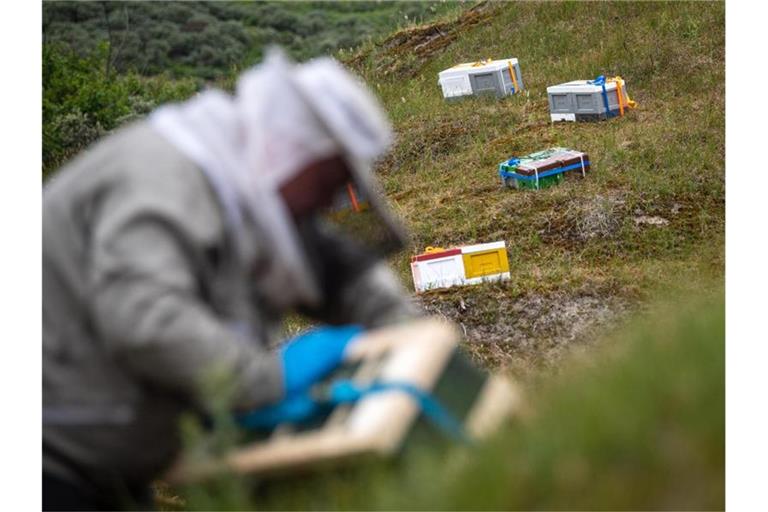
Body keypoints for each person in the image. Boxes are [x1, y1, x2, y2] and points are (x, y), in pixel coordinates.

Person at [43, 48, 418, 510]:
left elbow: (332, 267)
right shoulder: (163, 179)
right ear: (292, 152)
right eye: (326, 184)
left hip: (109, 469)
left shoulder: (242, 185)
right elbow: (146, 321)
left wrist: (412, 339)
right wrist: (268, 381)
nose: (328, 203)